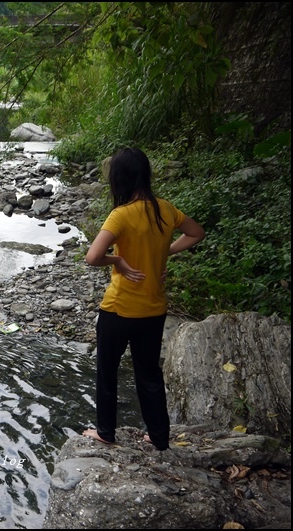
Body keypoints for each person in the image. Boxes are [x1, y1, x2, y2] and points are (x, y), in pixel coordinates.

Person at [82, 147, 205, 451]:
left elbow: (93, 257)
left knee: (107, 372)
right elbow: (196, 232)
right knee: (149, 374)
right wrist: (164, 252)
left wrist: (118, 262)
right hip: (153, 309)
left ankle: (106, 433)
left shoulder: (121, 214)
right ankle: (159, 436)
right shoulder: (165, 208)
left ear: (119, 179)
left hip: (119, 308)